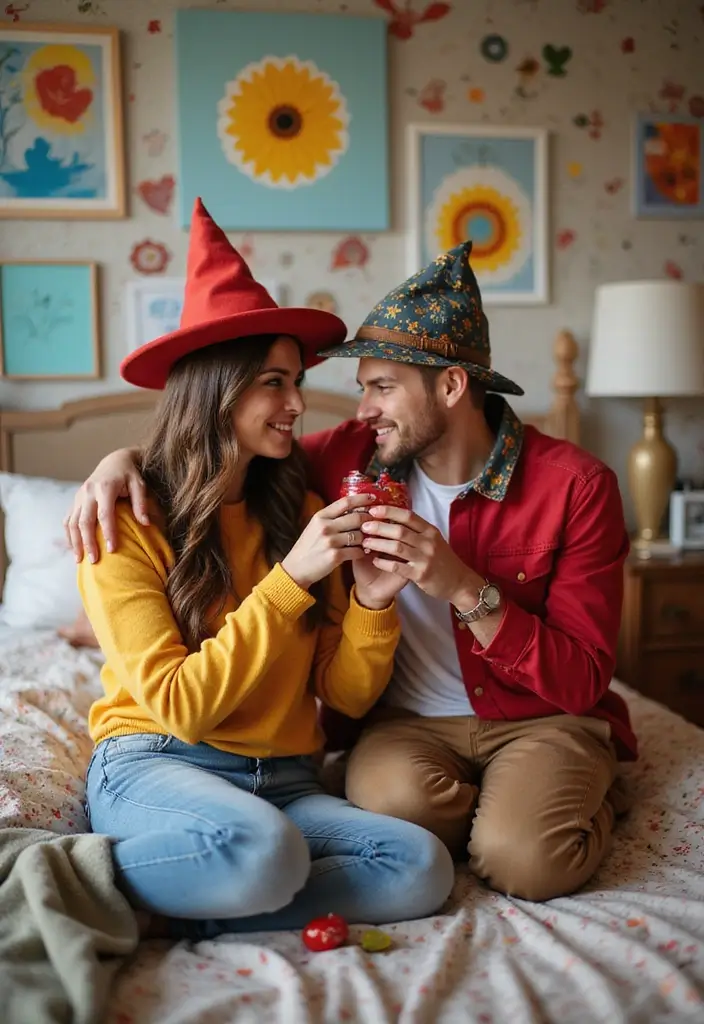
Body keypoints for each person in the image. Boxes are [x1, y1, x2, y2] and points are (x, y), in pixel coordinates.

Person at [68, 240, 636, 904]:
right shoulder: (156, 510)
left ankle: (209, 902)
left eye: (380, 388)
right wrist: (119, 459)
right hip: (190, 750)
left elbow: (576, 678)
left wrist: (410, 595)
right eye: (278, 383)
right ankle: (143, 882)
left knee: (454, 867)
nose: (345, 409)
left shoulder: (571, 485)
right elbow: (201, 455)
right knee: (285, 844)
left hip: (496, 727)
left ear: (452, 387)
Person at [75, 199, 454, 940]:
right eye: (275, 382)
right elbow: (180, 705)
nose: (298, 403)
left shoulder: (298, 505)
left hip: (283, 777)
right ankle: (87, 876)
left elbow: (338, 692)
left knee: (421, 868)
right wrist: (291, 581)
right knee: (266, 850)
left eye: (295, 382)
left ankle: (202, 900)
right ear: (218, 388)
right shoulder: (122, 518)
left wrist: (373, 605)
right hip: (158, 760)